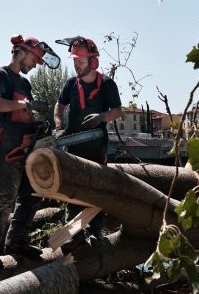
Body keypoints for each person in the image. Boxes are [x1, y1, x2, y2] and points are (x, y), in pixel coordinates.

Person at [0, 34, 60, 268]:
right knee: (4, 196)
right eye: (34, 60)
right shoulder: (2, 75)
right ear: (21, 52)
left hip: (25, 142)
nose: (35, 65)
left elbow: (25, 113)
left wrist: (37, 125)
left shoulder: (25, 84)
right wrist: (22, 105)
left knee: (32, 192)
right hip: (7, 142)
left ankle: (15, 241)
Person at [53, 36, 122, 244]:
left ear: (93, 61)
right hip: (73, 146)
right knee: (72, 192)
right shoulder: (71, 84)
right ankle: (72, 236)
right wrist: (58, 127)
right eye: (74, 61)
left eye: (80, 61)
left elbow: (118, 111)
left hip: (97, 147)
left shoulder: (107, 84)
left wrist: (101, 117)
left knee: (96, 192)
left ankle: (95, 231)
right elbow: (59, 105)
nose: (76, 65)